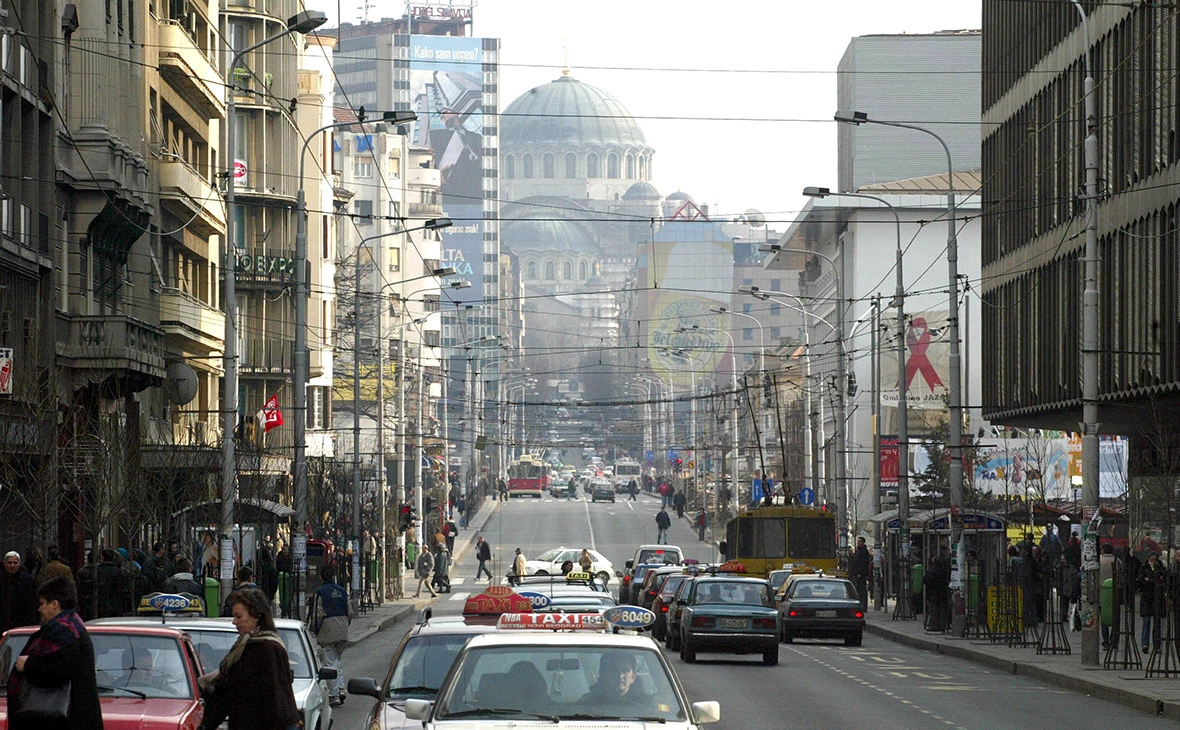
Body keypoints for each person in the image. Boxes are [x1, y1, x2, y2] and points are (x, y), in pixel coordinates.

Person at [7, 577, 102, 730]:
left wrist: (28, 665)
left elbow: (59, 667)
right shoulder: (71, 626)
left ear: (54, 604)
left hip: (60, 719)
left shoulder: (63, 631)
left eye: (42, 604)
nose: (39, 609)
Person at [198, 588, 300, 730]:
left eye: (239, 617)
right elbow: (226, 692)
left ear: (256, 616)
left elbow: (276, 699)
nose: (234, 622)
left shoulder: (270, 648)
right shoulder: (244, 646)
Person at [311, 565, 352, 707]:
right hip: (343, 628)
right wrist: (345, 626)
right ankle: (341, 688)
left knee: (329, 662)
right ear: (334, 576)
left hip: (328, 629)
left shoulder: (320, 592)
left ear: (321, 577)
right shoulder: (342, 591)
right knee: (337, 660)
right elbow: (350, 612)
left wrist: (315, 630)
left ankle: (333, 695)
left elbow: (317, 614)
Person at [0, 551, 37, 633]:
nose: (12, 565)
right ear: (5, 563)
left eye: (15, 563)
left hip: (21, 620)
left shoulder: (27, 580)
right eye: (9, 563)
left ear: (19, 564)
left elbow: (32, 602)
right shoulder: (1, 579)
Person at [1139, 551, 1167, 652]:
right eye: (1152, 559)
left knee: (1157, 623)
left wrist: (1149, 580)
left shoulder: (1161, 567)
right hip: (1147, 598)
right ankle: (1145, 644)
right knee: (1146, 622)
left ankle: (1157, 645)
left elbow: (1163, 580)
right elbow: (1141, 580)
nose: (1153, 561)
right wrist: (1154, 580)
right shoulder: (1144, 567)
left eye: (1155, 559)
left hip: (1157, 598)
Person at [1099, 542, 1120, 650]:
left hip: (1102, 594)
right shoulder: (1117, 561)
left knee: (1104, 619)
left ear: (1103, 550)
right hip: (1115, 594)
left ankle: (1106, 641)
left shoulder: (1099, 561)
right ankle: (1114, 641)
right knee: (1115, 619)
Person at [848, 536, 872, 610]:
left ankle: (863, 605)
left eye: (860, 542)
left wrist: (860, 573)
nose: (858, 543)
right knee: (858, 590)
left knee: (862, 590)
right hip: (856, 574)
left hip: (861, 575)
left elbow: (863, 563)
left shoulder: (864, 552)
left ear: (863, 543)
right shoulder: (858, 551)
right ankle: (860, 604)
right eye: (858, 542)